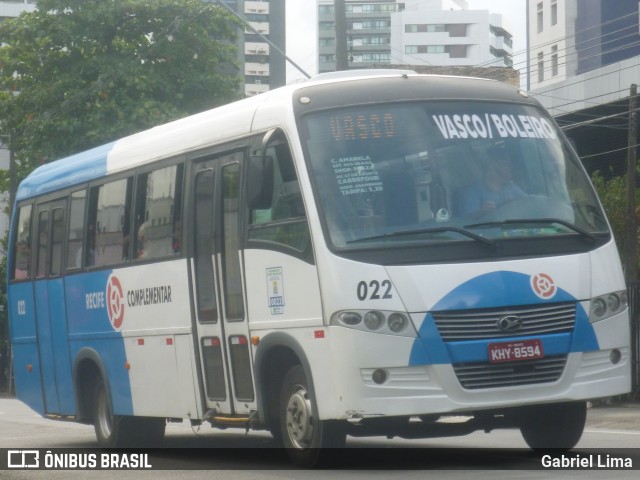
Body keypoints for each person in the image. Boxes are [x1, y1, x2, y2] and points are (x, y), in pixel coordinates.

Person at [458, 146, 525, 217]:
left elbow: (529, 202)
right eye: (506, 164)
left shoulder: (511, 188)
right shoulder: (474, 191)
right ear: (492, 165)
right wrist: (482, 212)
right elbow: (468, 219)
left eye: (510, 165)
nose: (511, 168)